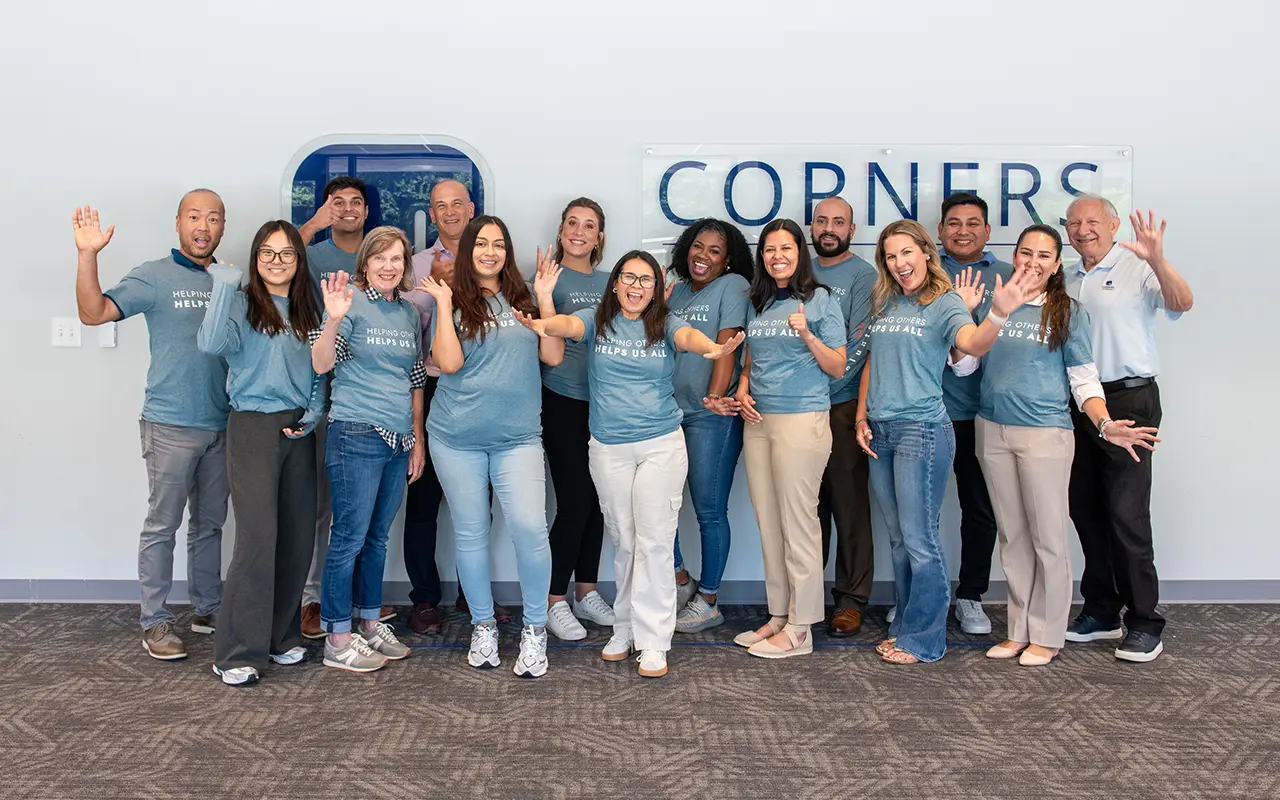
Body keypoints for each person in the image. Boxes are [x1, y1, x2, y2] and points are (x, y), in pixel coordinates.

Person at [516, 250, 743, 678]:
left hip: (660, 445)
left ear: (657, 289)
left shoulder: (666, 323)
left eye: (646, 280)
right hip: (609, 449)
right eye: (629, 278)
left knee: (655, 541)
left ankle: (654, 640)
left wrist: (713, 349)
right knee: (625, 541)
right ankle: (624, 629)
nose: (637, 287)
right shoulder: (597, 319)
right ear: (616, 283)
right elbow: (567, 327)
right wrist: (544, 320)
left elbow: (689, 338)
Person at [950, 224, 1159, 667]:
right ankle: (1019, 629)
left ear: (1055, 264)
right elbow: (966, 367)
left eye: (1044, 255)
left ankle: (1047, 634)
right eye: (1026, 253)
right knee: (1013, 537)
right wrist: (974, 318)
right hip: (993, 431)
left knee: (1048, 538)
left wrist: (1104, 424)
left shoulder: (1067, 312)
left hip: (1046, 434)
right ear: (1015, 256)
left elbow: (1083, 379)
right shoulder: (995, 301)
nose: (1033, 261)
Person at [854, 219, 1034, 665]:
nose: (899, 263)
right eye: (890, 256)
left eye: (906, 253)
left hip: (922, 430)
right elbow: (874, 362)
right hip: (881, 429)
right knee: (897, 538)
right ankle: (905, 626)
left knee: (920, 539)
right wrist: (861, 415)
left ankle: (926, 639)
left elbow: (971, 345)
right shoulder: (886, 300)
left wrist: (998, 312)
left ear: (926, 253)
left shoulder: (945, 300)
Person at [72, 193, 230, 661]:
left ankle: (207, 609)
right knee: (163, 524)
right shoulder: (154, 275)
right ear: (179, 222)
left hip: (224, 422)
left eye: (214, 218)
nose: (204, 226)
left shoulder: (231, 279)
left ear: (224, 227)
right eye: (195, 217)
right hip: (170, 424)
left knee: (211, 525)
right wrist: (87, 256)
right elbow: (93, 313)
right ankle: (155, 622)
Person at [418, 216, 563, 678]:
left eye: (499, 244)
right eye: (481, 243)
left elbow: (553, 356)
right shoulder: (453, 298)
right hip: (456, 437)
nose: (490, 252)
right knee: (471, 531)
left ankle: (535, 630)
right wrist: (443, 305)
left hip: (517, 437)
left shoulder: (522, 297)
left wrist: (543, 297)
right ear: (468, 251)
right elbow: (449, 362)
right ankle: (483, 625)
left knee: (529, 529)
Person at [1063, 195, 1193, 662]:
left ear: (1113, 224)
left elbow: (1183, 302)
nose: (1082, 230)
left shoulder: (1138, 264)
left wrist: (1157, 257)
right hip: (1080, 402)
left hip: (1130, 399)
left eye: (1092, 221)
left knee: (1126, 511)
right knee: (1086, 509)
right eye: (1074, 223)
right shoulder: (1067, 276)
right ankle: (1100, 609)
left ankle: (1144, 621)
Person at [198, 221, 326, 685]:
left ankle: (280, 637)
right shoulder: (239, 301)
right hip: (252, 424)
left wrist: (314, 410)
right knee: (256, 539)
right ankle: (236, 652)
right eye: (267, 253)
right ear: (255, 259)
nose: (276, 261)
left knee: (295, 537)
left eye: (286, 254)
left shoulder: (307, 307)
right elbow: (210, 345)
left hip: (299, 426)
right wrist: (223, 285)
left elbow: (317, 368)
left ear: (298, 260)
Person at [310, 226, 426, 673]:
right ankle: (338, 639)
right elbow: (321, 363)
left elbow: (415, 379)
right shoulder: (351, 303)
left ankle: (371, 623)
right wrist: (334, 317)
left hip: (398, 439)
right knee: (349, 539)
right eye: (380, 257)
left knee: (377, 539)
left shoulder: (406, 312)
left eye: (397, 258)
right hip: (355, 433)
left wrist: (416, 439)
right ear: (366, 262)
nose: (389, 265)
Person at [732, 219, 847, 660]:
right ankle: (780, 615)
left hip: (802, 419)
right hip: (758, 420)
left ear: (800, 252)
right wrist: (742, 389)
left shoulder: (820, 300)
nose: (777, 256)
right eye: (769, 249)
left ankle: (802, 628)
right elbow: (749, 361)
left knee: (800, 524)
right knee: (769, 523)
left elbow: (837, 366)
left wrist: (806, 333)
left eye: (786, 248)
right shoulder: (756, 301)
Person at [296, 176, 394, 637]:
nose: (348, 209)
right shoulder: (312, 256)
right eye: (338, 202)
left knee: (364, 518)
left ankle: (360, 605)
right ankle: (315, 602)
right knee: (325, 509)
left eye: (356, 202)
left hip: (376, 411)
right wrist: (315, 223)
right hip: (323, 397)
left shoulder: (392, 296)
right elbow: (271, 259)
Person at [402, 178, 486, 635]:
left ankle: (473, 595)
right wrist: (436, 294)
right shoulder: (413, 265)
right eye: (440, 206)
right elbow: (402, 330)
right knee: (424, 499)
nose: (450, 212)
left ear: (470, 208)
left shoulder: (491, 259)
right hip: (430, 387)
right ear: (431, 214)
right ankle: (426, 599)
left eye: (457, 204)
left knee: (477, 502)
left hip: (481, 390)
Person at [664, 218, 752, 633]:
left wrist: (714, 398)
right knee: (662, 504)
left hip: (710, 417)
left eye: (715, 251)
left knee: (709, 510)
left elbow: (728, 345)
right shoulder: (676, 290)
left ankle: (710, 598)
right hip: (667, 414)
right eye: (699, 247)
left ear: (728, 259)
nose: (704, 256)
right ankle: (682, 579)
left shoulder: (733, 286)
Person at [936, 192, 1014, 636]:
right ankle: (919, 595)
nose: (962, 230)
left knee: (979, 510)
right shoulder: (922, 274)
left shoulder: (1008, 278)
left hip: (981, 415)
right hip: (924, 414)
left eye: (972, 223)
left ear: (987, 231)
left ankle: (970, 595)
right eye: (953, 222)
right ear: (941, 230)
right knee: (917, 514)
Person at [540, 198, 616, 641]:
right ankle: (554, 600)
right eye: (573, 222)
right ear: (561, 228)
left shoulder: (611, 282)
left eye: (589, 225)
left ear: (599, 236)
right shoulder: (547, 277)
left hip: (605, 403)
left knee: (599, 501)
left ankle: (587, 592)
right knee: (574, 502)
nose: (580, 231)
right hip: (562, 399)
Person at [809, 197, 878, 637]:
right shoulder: (798, 269)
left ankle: (850, 601)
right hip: (797, 409)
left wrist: (824, 385)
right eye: (821, 221)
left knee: (848, 507)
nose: (829, 228)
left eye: (838, 222)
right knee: (807, 509)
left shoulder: (863, 276)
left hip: (841, 404)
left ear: (852, 229)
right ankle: (807, 597)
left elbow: (858, 343)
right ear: (811, 227)